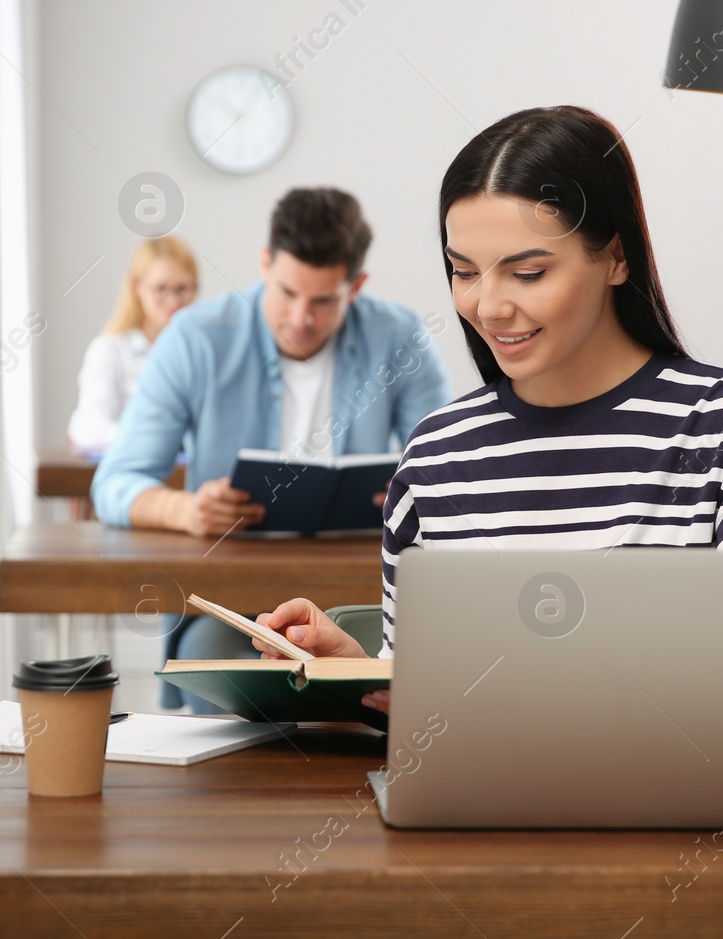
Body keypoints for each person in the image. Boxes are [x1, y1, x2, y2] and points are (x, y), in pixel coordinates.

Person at [252, 106, 723, 714]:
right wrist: (361, 673)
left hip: (684, 799)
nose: (489, 306)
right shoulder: (435, 455)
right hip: (483, 804)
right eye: (464, 272)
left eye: (527, 272)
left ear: (614, 258)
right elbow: (437, 715)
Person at [90, 186, 454, 710]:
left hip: (357, 604)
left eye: (324, 300)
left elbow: (445, 472)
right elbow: (116, 481)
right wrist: (187, 510)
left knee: (387, 695)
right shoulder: (194, 338)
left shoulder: (400, 336)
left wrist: (413, 497)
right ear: (264, 264)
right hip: (234, 611)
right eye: (286, 292)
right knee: (222, 681)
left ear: (357, 286)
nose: (301, 317)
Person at [66, 237, 199, 453]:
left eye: (182, 289)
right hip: (134, 475)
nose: (173, 301)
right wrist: (156, 438)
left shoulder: (201, 352)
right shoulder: (110, 351)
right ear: (137, 287)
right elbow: (87, 429)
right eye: (161, 289)